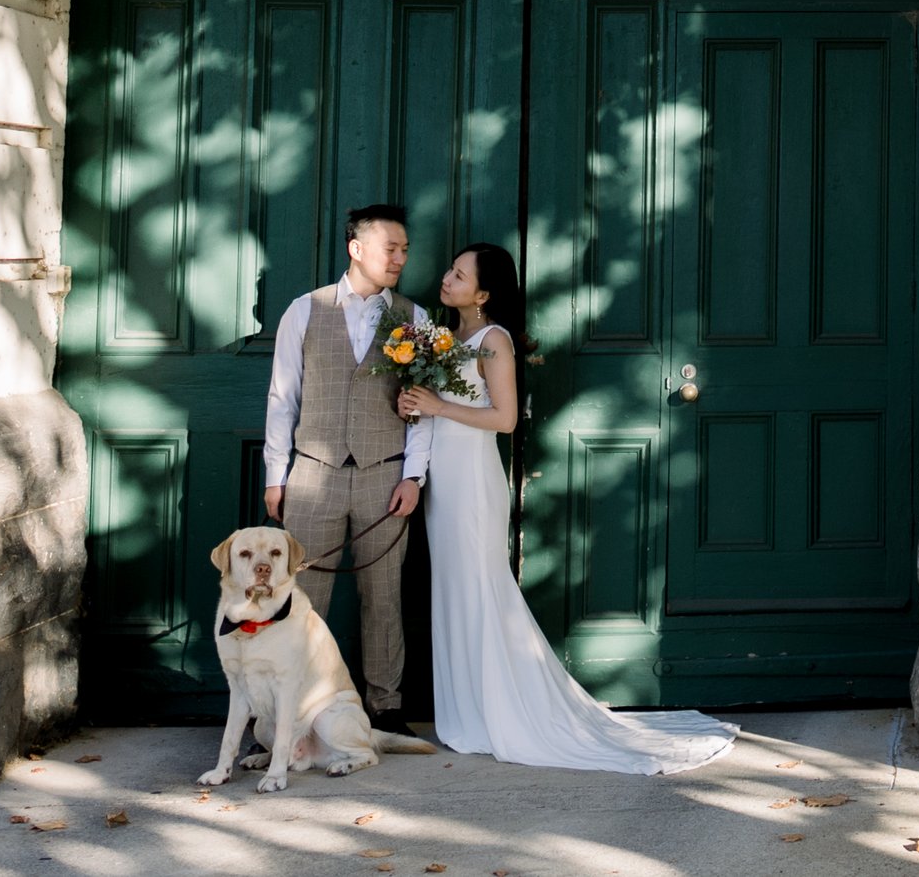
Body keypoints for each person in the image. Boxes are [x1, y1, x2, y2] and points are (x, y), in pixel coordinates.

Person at [397, 242, 736, 772]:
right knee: (455, 589)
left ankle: (503, 712)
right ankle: (467, 711)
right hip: (445, 480)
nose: (446, 278)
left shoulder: (493, 342)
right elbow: (439, 408)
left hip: (473, 483)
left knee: (482, 589)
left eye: (459, 274)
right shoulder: (449, 338)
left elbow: (505, 419)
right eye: (450, 270)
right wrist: (418, 404)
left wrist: (438, 405)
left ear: (484, 293)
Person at [260, 202, 429, 736]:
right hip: (313, 474)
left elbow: (422, 406)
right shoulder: (303, 310)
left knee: (384, 596)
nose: (400, 258)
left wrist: (413, 475)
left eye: (404, 249)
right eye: (390, 248)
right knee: (302, 600)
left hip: (385, 474)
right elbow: (282, 397)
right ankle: (288, 710)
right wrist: (275, 474)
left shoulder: (415, 317)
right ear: (357, 249)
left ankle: (386, 707)